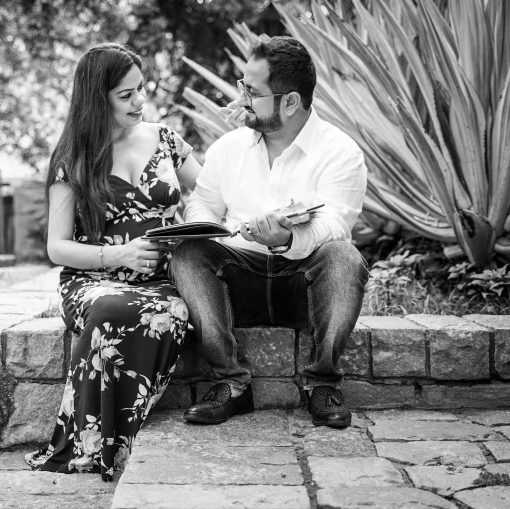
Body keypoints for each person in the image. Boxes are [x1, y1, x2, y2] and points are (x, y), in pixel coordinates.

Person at [171, 36, 369, 428]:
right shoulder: (229, 148)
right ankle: (231, 383)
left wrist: (287, 239)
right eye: (242, 86)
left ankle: (322, 383)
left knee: (345, 258)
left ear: (291, 102)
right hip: (238, 283)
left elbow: (334, 225)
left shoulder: (340, 152)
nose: (241, 98)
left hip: (303, 285)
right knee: (188, 254)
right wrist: (211, 229)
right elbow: (202, 204)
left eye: (253, 91)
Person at [25, 43, 201, 481]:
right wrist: (116, 254)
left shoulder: (165, 140)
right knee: (111, 309)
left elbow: (215, 194)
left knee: (169, 310)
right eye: (126, 95)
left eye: (142, 90)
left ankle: (108, 445)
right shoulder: (73, 158)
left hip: (163, 281)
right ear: (96, 97)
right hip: (92, 280)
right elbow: (57, 247)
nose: (140, 101)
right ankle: (97, 446)